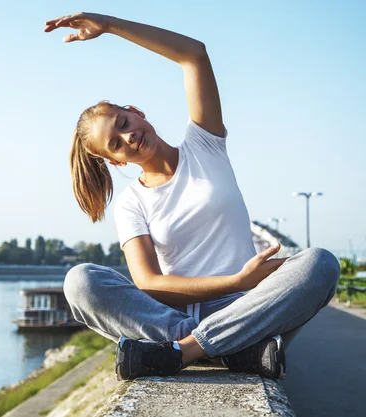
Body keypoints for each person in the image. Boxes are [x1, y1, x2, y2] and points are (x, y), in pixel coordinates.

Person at [44, 12, 340, 381]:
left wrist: (109, 26)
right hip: (179, 316)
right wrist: (235, 281)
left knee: (321, 264)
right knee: (80, 282)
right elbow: (149, 283)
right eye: (116, 144)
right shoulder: (131, 203)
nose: (129, 137)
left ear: (136, 112)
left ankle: (184, 351)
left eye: (124, 123)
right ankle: (234, 350)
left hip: (249, 305)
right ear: (114, 160)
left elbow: (194, 55)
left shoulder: (205, 145)